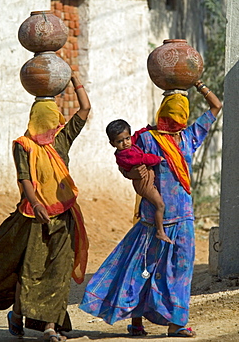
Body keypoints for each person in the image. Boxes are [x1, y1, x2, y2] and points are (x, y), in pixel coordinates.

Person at [79, 80, 222, 338]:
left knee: (180, 270)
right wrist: (134, 174)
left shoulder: (187, 136)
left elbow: (216, 106)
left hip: (183, 219)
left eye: (177, 116)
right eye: (170, 115)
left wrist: (196, 83)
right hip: (153, 218)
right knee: (143, 268)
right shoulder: (147, 138)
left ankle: (177, 323)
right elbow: (126, 164)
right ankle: (136, 321)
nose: (173, 121)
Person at [0, 72, 91, 342]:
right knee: (32, 270)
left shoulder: (61, 140)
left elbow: (84, 109)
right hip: (35, 217)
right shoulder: (23, 146)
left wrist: (75, 80)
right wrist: (35, 203)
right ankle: (17, 314)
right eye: (48, 125)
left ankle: (50, 325)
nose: (53, 129)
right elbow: (23, 177)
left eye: (55, 124)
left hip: (64, 215)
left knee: (59, 271)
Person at [106, 119, 172, 243]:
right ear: (112, 143)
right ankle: (160, 232)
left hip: (146, 180)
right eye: (120, 141)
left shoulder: (130, 144)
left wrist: (148, 128)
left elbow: (136, 135)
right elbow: (143, 158)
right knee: (160, 205)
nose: (125, 143)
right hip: (143, 184)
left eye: (127, 138)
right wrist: (158, 159)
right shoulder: (125, 155)